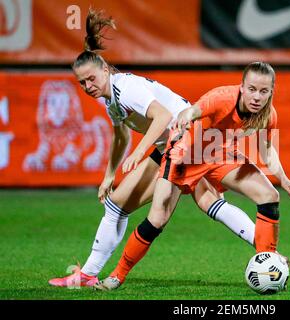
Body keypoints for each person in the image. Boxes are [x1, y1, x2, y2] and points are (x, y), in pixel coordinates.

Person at [48, 9, 256, 288]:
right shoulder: (111, 99)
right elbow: (120, 135)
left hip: (187, 137)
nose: (88, 86)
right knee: (203, 201)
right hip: (184, 140)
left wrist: (138, 153)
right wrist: (109, 174)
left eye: (91, 79)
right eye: (82, 82)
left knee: (125, 207)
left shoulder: (126, 88)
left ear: (106, 70)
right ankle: (268, 249)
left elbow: (163, 117)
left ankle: (89, 275)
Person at [95, 61, 290, 290]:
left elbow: (266, 148)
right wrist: (186, 116)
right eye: (252, 89)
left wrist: (283, 178)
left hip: (215, 153)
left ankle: (268, 263)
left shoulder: (267, 114)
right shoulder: (223, 98)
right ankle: (117, 275)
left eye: (264, 91)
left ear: (271, 91)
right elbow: (194, 109)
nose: (257, 97)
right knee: (157, 219)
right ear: (242, 87)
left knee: (269, 195)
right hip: (184, 152)